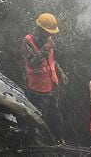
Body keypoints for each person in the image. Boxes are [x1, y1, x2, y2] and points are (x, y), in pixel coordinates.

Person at [22, 13, 68, 142]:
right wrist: (44, 49)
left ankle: (59, 140)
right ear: (40, 29)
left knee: (56, 114)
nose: (51, 35)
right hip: (36, 88)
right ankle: (35, 143)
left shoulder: (48, 40)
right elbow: (32, 62)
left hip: (51, 85)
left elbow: (52, 60)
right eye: (48, 31)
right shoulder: (28, 41)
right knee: (37, 117)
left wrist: (61, 72)